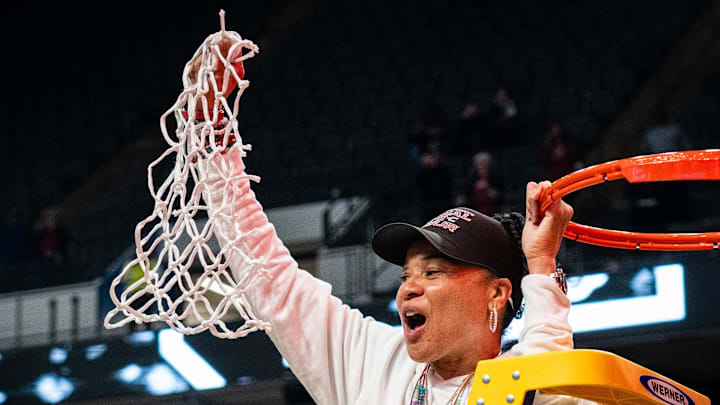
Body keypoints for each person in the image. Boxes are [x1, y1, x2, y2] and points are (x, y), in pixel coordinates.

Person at [199, 42, 586, 405]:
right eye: (404, 277)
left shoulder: (530, 386)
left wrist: (540, 263)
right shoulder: (370, 358)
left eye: (432, 272)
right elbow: (274, 281)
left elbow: (549, 360)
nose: (408, 290)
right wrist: (214, 140)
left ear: (498, 293)